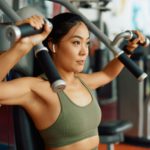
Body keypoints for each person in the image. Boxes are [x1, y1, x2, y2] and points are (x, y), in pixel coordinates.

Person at [0, 12, 146, 150]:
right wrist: (22, 46)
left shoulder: (82, 81)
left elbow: (107, 74)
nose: (84, 51)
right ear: (53, 46)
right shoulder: (37, 88)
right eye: (76, 42)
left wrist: (128, 49)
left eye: (87, 43)